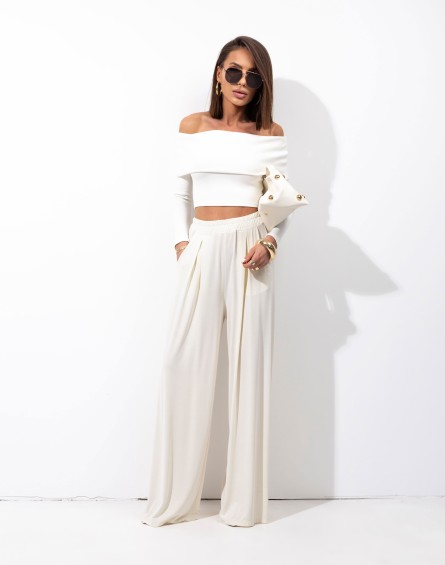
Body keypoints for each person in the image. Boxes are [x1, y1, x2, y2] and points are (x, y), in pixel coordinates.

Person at [141, 35, 293, 528]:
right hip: (202, 247)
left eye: (253, 76)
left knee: (249, 372)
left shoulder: (270, 133)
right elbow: (178, 193)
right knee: (180, 363)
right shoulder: (193, 127)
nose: (242, 82)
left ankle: (243, 505)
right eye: (234, 72)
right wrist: (182, 244)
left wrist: (269, 242)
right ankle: (174, 497)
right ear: (218, 75)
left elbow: (283, 204)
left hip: (251, 248)